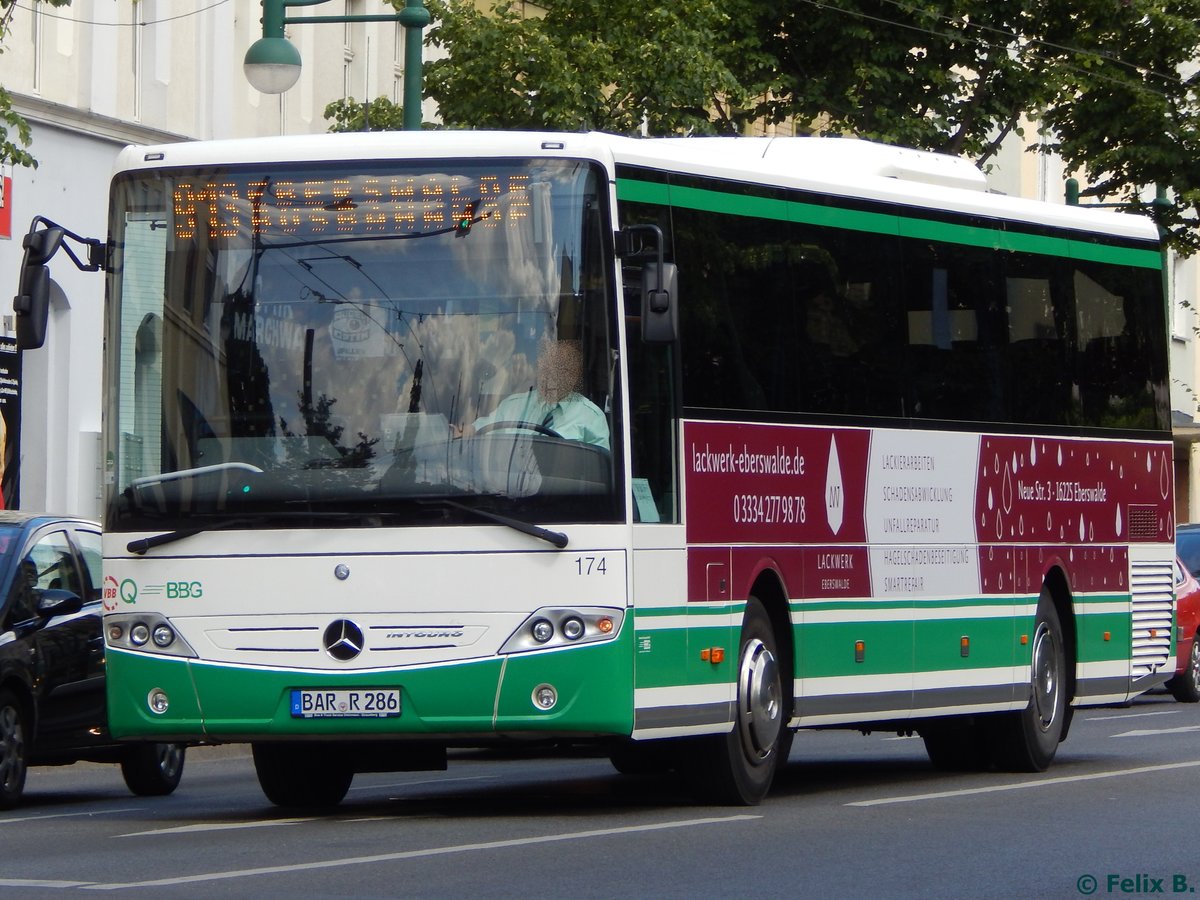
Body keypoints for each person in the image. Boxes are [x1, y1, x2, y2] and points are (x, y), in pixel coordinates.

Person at [468, 340, 610, 450]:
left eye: (559, 370)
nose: (549, 376)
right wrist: (465, 431)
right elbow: (478, 430)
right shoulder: (512, 405)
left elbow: (598, 470)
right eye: (545, 368)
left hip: (565, 487)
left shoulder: (592, 417)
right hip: (507, 484)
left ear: (574, 376)